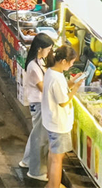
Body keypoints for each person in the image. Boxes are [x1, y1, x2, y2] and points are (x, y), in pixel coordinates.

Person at [42, 45, 82, 188]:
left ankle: (50, 183)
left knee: (53, 155)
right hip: (58, 124)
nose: (72, 65)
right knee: (57, 159)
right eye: (71, 62)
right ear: (64, 61)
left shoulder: (51, 72)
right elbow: (64, 102)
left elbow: (63, 89)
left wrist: (73, 82)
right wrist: (76, 89)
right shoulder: (57, 79)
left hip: (50, 121)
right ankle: (54, 185)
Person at [20, 33, 55, 182]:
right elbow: (44, 88)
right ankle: (35, 171)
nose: (49, 52)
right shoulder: (33, 67)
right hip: (38, 104)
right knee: (39, 137)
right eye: (48, 49)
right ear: (40, 48)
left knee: (35, 135)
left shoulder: (38, 61)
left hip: (38, 103)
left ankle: (27, 161)